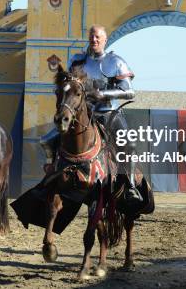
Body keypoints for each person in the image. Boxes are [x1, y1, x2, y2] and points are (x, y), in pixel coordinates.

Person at [39, 24, 140, 203]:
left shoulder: (115, 62)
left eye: (98, 37)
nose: (94, 40)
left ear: (104, 40)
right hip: (81, 113)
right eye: (92, 37)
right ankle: (53, 175)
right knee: (48, 140)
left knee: (129, 144)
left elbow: (129, 91)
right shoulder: (77, 61)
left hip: (109, 112)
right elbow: (68, 87)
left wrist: (103, 94)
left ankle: (130, 185)